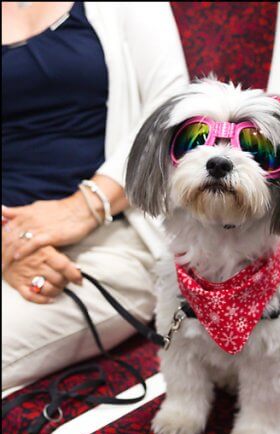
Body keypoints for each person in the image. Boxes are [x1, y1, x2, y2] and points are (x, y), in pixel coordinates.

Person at [1, 2, 189, 390]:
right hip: (12, 245)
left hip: (113, 240)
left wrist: (82, 207)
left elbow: (174, 112)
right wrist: (11, 244)